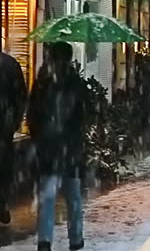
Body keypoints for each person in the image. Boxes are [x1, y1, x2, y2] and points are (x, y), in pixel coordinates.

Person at [28, 42, 86, 251]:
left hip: (48, 150)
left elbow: (32, 116)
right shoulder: (75, 81)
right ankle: (76, 239)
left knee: (47, 198)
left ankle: (45, 241)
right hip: (70, 149)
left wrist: (41, 138)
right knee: (74, 197)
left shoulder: (42, 82)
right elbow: (81, 117)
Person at [0, 50, 27, 225]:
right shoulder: (10, 64)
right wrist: (14, 121)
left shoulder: (9, 64)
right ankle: (2, 205)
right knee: (3, 168)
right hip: (4, 127)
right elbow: (21, 96)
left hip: (5, 125)